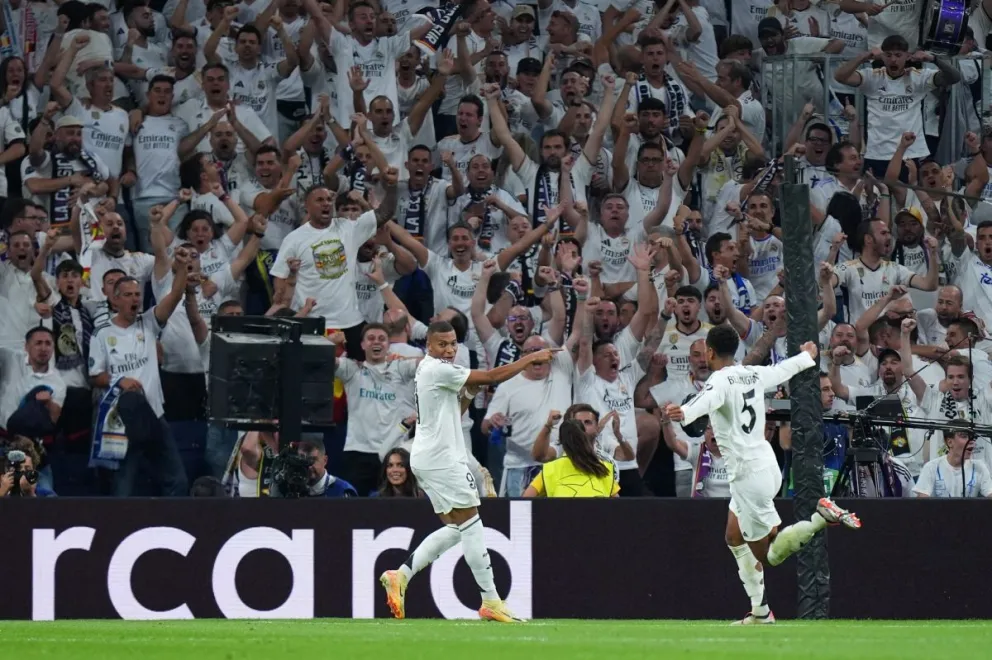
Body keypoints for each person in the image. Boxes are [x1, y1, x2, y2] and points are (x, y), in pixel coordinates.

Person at [664, 325, 861, 625]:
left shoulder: (718, 381)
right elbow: (783, 370)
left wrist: (683, 413)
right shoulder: (752, 372)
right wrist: (808, 355)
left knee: (769, 554)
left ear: (710, 353)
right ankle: (760, 611)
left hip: (747, 476)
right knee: (733, 536)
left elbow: (702, 404)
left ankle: (819, 518)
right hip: (767, 464)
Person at [378, 319, 559, 622]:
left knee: (457, 527)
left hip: (431, 455)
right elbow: (491, 375)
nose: (448, 349)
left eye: (452, 344)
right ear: (429, 346)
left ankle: (401, 575)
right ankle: (491, 601)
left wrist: (470, 394)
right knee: (473, 525)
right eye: (442, 344)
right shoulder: (436, 368)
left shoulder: (432, 370)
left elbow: (453, 409)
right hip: (441, 458)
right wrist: (530, 358)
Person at [522, 418, 619, 497]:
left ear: (560, 441)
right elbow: (619, 506)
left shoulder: (550, 469)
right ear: (584, 436)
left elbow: (526, 499)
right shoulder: (603, 468)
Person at [914, 428, 992, 498]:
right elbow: (922, 504)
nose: (971, 441)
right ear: (950, 442)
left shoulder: (979, 467)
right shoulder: (931, 467)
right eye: (964, 436)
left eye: (972, 437)